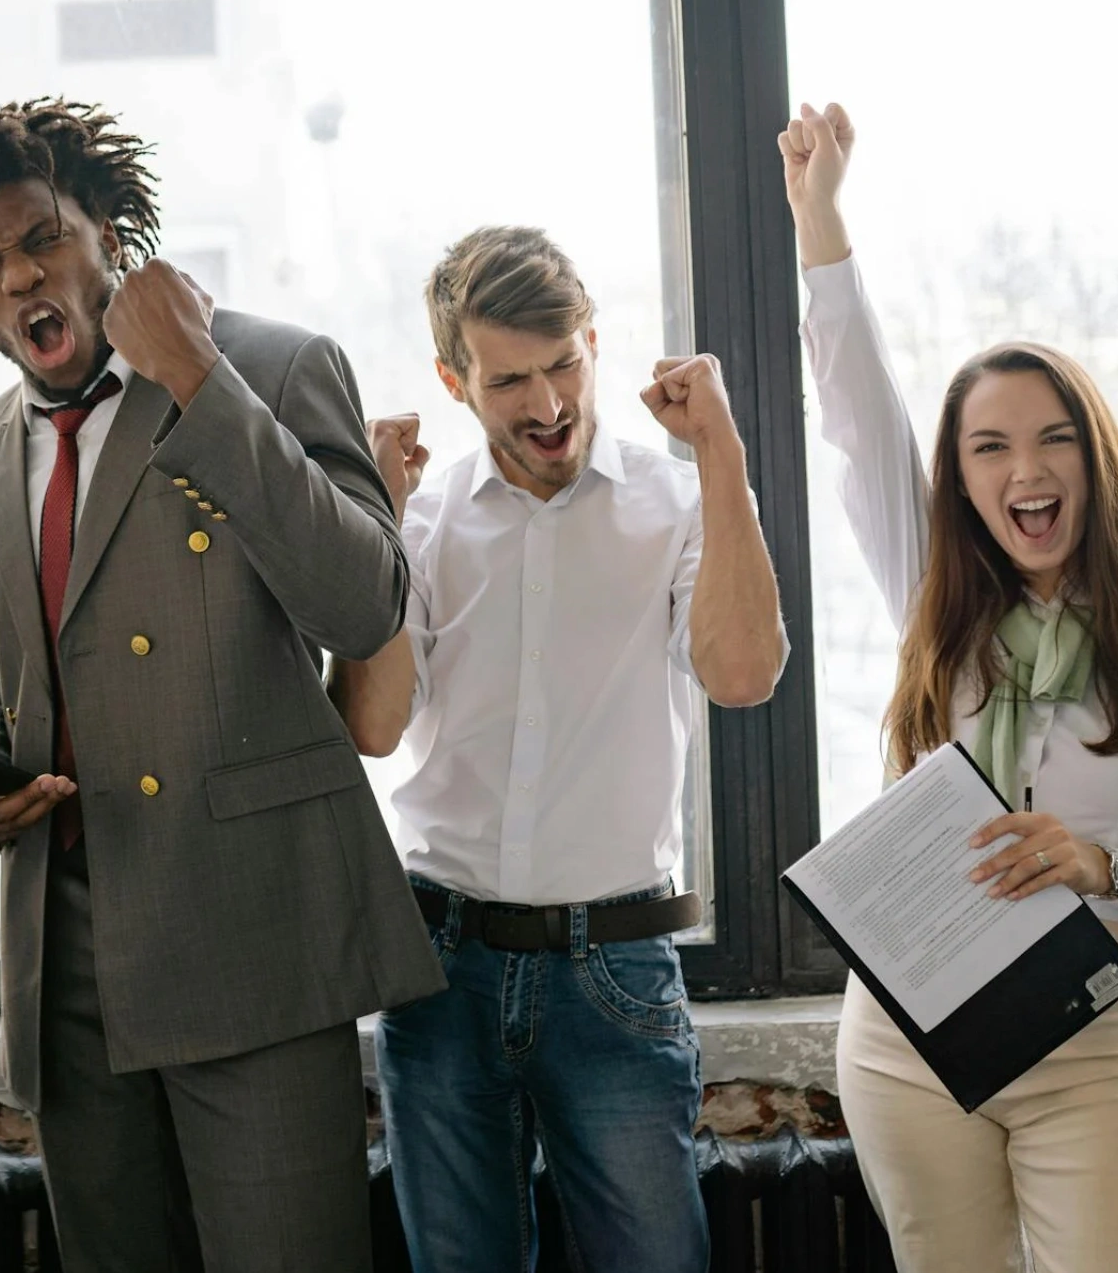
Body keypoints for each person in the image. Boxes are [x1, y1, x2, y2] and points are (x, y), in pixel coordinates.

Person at [0, 98, 441, 1272]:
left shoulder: (273, 366)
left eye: (44, 238)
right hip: (65, 958)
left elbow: (361, 604)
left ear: (111, 237)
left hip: (253, 932)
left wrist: (195, 375)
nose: (19, 276)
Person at [783, 99, 1118, 1271]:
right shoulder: (933, 597)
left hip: (1081, 1036)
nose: (1024, 467)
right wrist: (820, 221)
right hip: (906, 1034)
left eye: (1051, 436)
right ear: (961, 481)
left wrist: (1101, 864)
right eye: (988, 446)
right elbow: (855, 411)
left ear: (1093, 455)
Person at [328, 225, 786, 1272]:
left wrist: (720, 452)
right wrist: (374, 524)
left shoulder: (681, 500)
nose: (546, 405)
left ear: (593, 342)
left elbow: (741, 674)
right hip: (439, 966)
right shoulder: (421, 521)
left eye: (564, 365)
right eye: (508, 381)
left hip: (614, 965)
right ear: (453, 381)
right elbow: (373, 726)